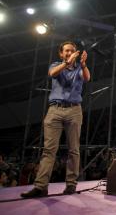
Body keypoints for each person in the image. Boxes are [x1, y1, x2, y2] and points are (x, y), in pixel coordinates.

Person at [21, 41, 90, 198]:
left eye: (72, 50)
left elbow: (87, 78)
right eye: (66, 51)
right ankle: (41, 186)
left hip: (74, 110)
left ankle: (71, 184)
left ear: (76, 53)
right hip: (54, 110)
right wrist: (67, 62)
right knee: (49, 150)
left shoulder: (80, 68)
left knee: (74, 149)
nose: (69, 52)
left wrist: (84, 64)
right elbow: (52, 74)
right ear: (61, 53)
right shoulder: (55, 65)